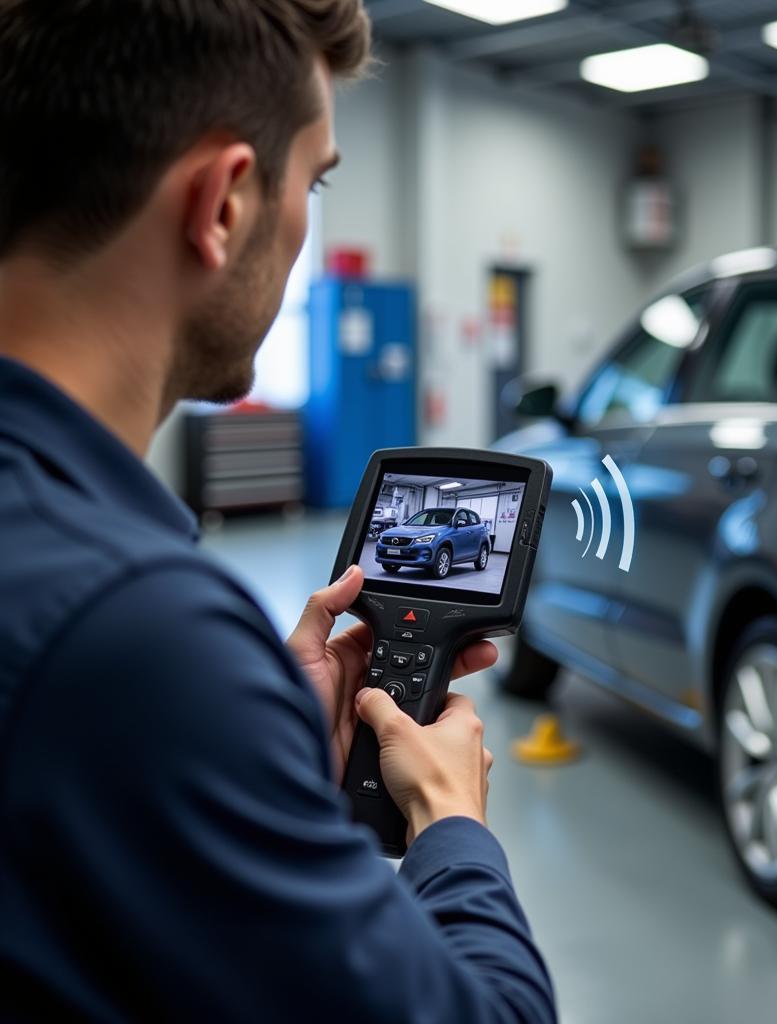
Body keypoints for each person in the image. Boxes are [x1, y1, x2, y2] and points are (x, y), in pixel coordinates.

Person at [0, 2, 557, 1021]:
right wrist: (448, 820)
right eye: (317, 179)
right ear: (222, 202)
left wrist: (257, 763)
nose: (307, 219)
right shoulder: (134, 633)